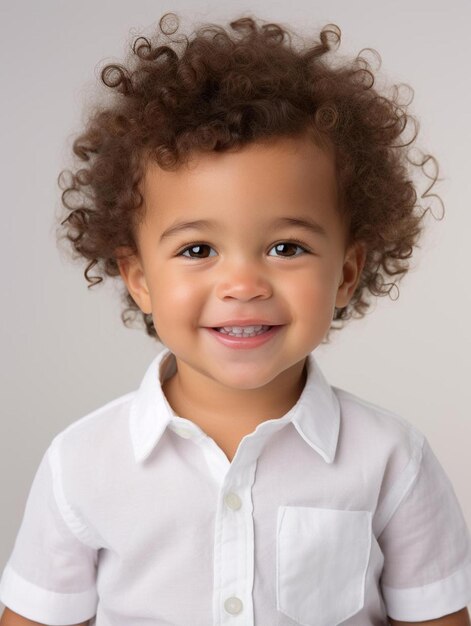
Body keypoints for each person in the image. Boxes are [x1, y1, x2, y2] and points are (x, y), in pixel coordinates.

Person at [1, 11, 470, 626]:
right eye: (198, 250)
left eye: (287, 248)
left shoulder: (391, 460)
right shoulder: (82, 464)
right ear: (139, 278)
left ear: (347, 274)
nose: (244, 285)